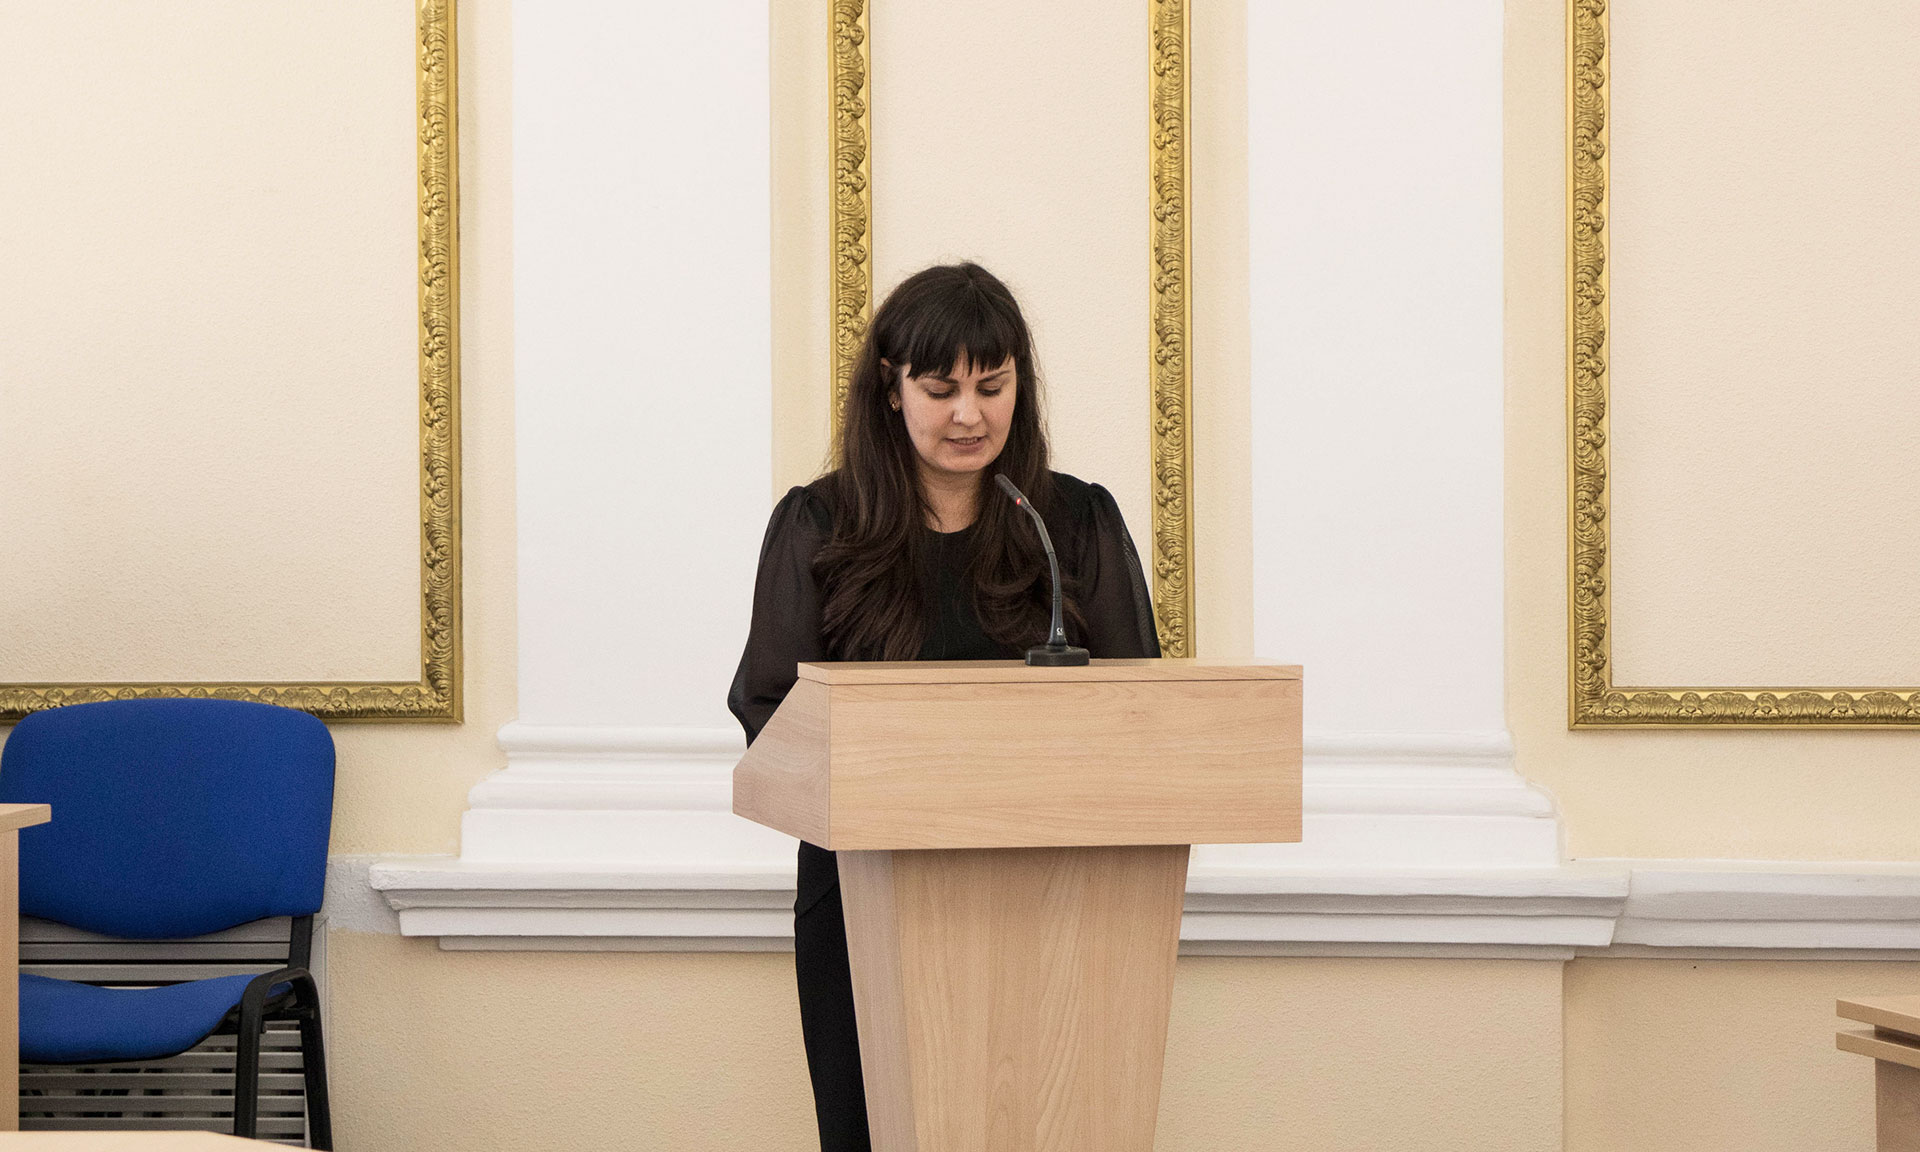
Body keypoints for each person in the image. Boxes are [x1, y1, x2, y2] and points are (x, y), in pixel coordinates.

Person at [726, 261, 1160, 1151]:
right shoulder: (822, 525)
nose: (970, 415)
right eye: (941, 390)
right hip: (865, 899)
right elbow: (770, 709)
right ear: (891, 389)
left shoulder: (1070, 523)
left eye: (992, 387)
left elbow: (1139, 708)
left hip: (1057, 902)